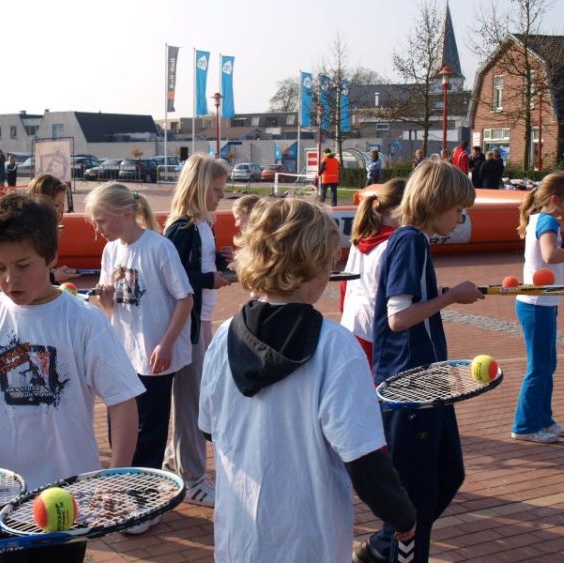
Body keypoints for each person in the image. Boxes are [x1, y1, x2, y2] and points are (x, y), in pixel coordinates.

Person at [0, 193, 143, 563]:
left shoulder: (84, 322)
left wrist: (113, 476)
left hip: (66, 498)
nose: (10, 279)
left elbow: (123, 403)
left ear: (52, 257)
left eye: (23, 265)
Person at [199, 198, 416, 563]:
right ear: (314, 265)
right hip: (309, 539)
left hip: (239, 538)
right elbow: (363, 457)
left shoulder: (223, 337)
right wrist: (402, 515)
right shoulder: (336, 347)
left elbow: (208, 427)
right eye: (330, 260)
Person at [362, 158, 484, 563]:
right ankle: (398, 553)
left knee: (449, 472)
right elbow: (398, 319)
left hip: (430, 384)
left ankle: (381, 549)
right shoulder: (410, 241)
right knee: (417, 496)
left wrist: (443, 293)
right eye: (457, 209)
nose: (460, 217)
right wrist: (451, 297)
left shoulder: (412, 241)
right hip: (409, 388)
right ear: (436, 202)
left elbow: (409, 305)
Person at [85, 182, 193, 534]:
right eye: (95, 222)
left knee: (150, 429)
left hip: (154, 356)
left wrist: (166, 343)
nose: (98, 229)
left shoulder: (159, 248)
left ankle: (146, 499)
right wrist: (102, 300)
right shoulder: (110, 252)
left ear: (126, 213)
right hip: (123, 353)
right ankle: (123, 490)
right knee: (120, 428)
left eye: (102, 220)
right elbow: (111, 305)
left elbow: (184, 299)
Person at [162, 153, 232, 507]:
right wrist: (210, 277)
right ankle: (192, 477)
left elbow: (194, 268)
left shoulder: (202, 223)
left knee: (195, 398)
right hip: (189, 324)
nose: (221, 196)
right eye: (216, 189)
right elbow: (171, 277)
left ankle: (178, 464)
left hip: (200, 321)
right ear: (200, 187)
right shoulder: (183, 227)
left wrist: (219, 262)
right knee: (192, 401)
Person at [512, 171, 564, 443]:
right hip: (536, 303)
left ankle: (543, 419)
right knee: (540, 366)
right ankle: (525, 426)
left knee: (547, 364)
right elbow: (550, 254)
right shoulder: (547, 221)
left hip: (540, 301)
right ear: (555, 199)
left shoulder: (540, 218)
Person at [340, 178, 406, 367]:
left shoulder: (360, 240)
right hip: (376, 328)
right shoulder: (395, 243)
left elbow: (346, 283)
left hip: (353, 321)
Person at [27, 174, 78, 284]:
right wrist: (54, 276)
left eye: (62, 204)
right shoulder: (30, 233)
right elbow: (26, 278)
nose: (61, 209)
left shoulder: (47, 228)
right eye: (56, 205)